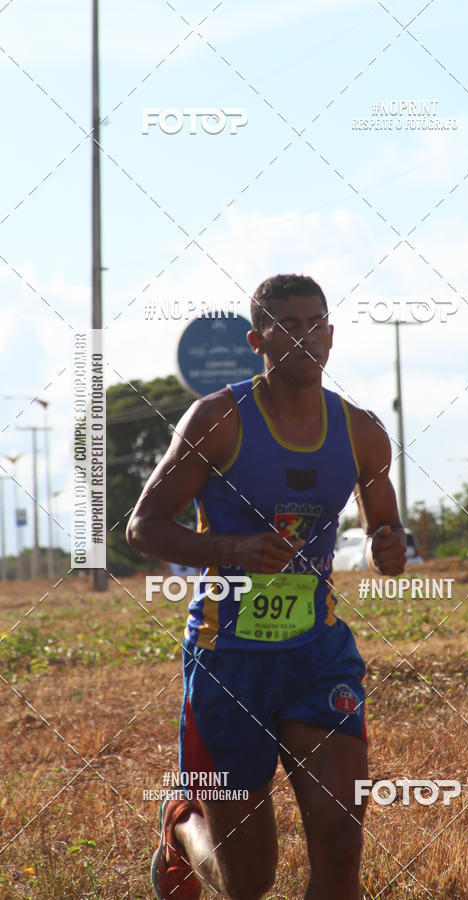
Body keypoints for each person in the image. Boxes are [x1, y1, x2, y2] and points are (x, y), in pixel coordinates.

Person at [126, 274, 407, 900]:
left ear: (331, 335)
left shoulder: (362, 431)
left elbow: (385, 537)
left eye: (315, 324)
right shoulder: (218, 419)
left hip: (317, 654)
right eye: (287, 326)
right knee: (248, 882)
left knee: (342, 844)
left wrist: (387, 548)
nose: (304, 337)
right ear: (258, 340)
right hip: (230, 660)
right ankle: (182, 829)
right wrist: (233, 550)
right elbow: (142, 527)